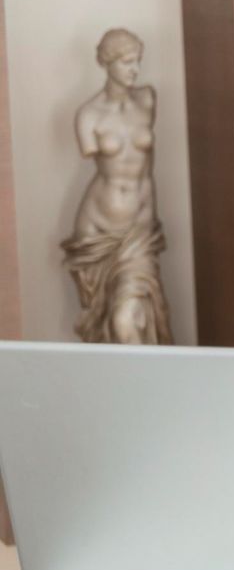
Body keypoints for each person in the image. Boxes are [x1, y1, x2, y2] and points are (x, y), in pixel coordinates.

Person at [63, 27, 173, 344]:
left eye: (137, 61)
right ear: (106, 63)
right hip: (97, 233)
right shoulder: (88, 116)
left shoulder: (147, 100)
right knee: (110, 325)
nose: (134, 70)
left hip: (138, 232)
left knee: (127, 319)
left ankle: (144, 389)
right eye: (126, 62)